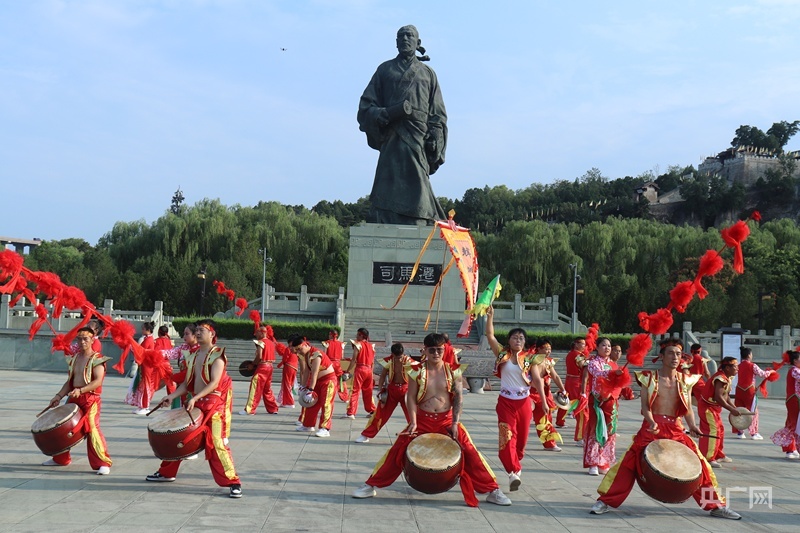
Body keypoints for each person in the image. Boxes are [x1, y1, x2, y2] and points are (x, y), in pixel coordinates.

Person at [352, 333, 511, 507]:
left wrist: (455, 423)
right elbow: (411, 398)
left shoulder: (453, 370)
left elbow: (458, 397)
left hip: (446, 420)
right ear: (425, 350)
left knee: (471, 451)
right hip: (422, 420)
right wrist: (412, 422)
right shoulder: (416, 371)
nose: (436, 353)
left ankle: (492, 490)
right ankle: (371, 485)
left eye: (440, 350)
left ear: (444, 350)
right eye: (432, 350)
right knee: (397, 450)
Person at [589, 339, 741, 520]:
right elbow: (645, 406)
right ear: (661, 356)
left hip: (675, 428)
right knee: (628, 465)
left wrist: (692, 426)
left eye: (678, 354)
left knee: (702, 467)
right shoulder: (649, 377)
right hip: (651, 428)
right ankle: (605, 501)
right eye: (671, 353)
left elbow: (687, 409)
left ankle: (716, 505)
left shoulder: (685, 380)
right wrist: (651, 421)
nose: (675, 357)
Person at [357, 25, 448, 225]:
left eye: (410, 36)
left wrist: (435, 136)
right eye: (401, 36)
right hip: (392, 137)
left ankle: (420, 217)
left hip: (417, 140)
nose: (405, 39)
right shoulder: (384, 70)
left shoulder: (427, 74)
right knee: (388, 185)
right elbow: (366, 106)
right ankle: (385, 216)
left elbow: (438, 114)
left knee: (418, 186)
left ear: (418, 43)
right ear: (396, 42)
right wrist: (382, 114)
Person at [147, 319, 242, 498]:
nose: (197, 333)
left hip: (214, 406)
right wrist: (172, 396)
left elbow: (214, 383)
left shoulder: (218, 355)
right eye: (196, 330)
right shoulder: (194, 355)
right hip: (198, 403)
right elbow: (186, 384)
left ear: (212, 334)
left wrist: (195, 398)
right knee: (176, 435)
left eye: (201, 330)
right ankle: (167, 473)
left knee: (217, 443)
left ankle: (233, 481)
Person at [42, 326, 113, 474]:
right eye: (79, 339)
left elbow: (98, 381)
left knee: (92, 428)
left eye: (85, 339)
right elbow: (69, 382)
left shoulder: (97, 359)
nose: (82, 342)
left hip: (90, 398)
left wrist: (81, 390)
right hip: (74, 397)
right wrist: (58, 396)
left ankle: (103, 462)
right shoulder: (74, 358)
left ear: (92, 339)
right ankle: (60, 458)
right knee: (62, 427)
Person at [486, 307, 537, 491]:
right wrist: (490, 317)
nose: (518, 340)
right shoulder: (503, 354)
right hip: (505, 403)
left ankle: (517, 463)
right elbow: (490, 336)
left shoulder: (530, 359)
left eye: (521, 338)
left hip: (524, 403)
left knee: (521, 441)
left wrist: (546, 402)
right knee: (507, 437)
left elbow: (537, 379)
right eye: (514, 337)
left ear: (525, 342)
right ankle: (512, 472)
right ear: (509, 340)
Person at [356, 343, 416, 443]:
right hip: (392, 390)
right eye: (396, 357)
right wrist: (379, 390)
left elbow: (416, 376)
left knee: (412, 416)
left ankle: (417, 436)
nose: (399, 359)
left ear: (403, 354)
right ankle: (366, 435)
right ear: (392, 354)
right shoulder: (389, 360)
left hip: (406, 390)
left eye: (400, 357)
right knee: (381, 414)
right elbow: (383, 375)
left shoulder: (409, 362)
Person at [697, 357, 745, 467]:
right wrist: (732, 409)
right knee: (713, 430)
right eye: (735, 366)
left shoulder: (727, 378)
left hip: (714, 408)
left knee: (720, 430)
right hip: (707, 407)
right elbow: (718, 397)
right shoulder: (720, 378)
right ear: (727, 368)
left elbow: (726, 396)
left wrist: (735, 408)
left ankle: (718, 454)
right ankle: (709, 458)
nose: (737, 368)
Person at [584, 337, 620, 476]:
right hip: (597, 401)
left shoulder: (614, 364)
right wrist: (612, 374)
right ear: (597, 347)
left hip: (612, 401)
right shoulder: (593, 363)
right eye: (603, 345)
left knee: (610, 431)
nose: (607, 348)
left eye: (609, 346)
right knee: (595, 429)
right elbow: (597, 374)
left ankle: (604, 461)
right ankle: (593, 462)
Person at [288, 334, 337, 437]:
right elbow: (306, 371)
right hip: (318, 381)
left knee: (326, 403)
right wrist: (303, 386)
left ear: (305, 345)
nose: (298, 352)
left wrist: (310, 390)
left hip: (328, 381)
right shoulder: (306, 355)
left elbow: (314, 373)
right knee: (311, 404)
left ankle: (325, 428)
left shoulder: (316, 354)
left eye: (299, 349)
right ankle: (308, 425)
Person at [529, 338, 564, 452]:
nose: (548, 351)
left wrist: (563, 389)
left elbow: (555, 376)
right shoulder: (533, 360)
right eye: (545, 348)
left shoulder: (548, 361)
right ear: (538, 349)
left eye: (549, 349)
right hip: (532, 393)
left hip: (545, 393)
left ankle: (549, 443)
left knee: (545, 419)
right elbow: (537, 380)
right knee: (525, 416)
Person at [733, 346, 774, 439]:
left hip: (739, 390)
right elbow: (763, 374)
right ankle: (754, 432)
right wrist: (771, 371)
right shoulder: (752, 365)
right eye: (751, 354)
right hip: (749, 391)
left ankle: (740, 432)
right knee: (753, 411)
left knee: (740, 411)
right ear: (748, 355)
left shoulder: (738, 366)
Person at [239, 326, 279, 416]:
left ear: (262, 333)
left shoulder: (261, 342)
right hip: (270, 367)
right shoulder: (271, 343)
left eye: (256, 333)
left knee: (255, 387)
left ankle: (250, 409)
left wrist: (252, 364)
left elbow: (259, 356)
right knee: (267, 389)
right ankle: (273, 408)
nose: (255, 334)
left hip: (262, 367)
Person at [771, 350, 800, 459]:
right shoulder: (795, 370)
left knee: (793, 424)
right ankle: (789, 449)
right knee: (793, 425)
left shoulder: (795, 370)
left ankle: (792, 448)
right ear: (795, 360)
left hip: (794, 400)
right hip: (794, 400)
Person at [558, 337, 588, 444]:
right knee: (581, 410)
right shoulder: (578, 355)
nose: (584, 346)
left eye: (585, 344)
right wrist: (590, 361)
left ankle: (560, 421)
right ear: (576, 344)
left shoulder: (571, 354)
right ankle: (580, 437)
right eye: (582, 344)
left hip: (570, 380)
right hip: (576, 383)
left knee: (567, 403)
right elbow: (583, 365)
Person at [125, 321, 157, 415]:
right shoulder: (148, 339)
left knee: (146, 386)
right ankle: (142, 406)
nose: (141, 330)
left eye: (143, 329)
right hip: (144, 365)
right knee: (143, 386)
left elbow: (140, 351)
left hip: (147, 366)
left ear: (148, 330)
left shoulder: (148, 340)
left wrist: (130, 345)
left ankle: (145, 406)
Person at [344, 328, 376, 419]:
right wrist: (372, 373)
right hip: (369, 370)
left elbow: (354, 359)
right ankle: (372, 410)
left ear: (362, 335)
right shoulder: (371, 346)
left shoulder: (358, 344)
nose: (356, 336)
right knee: (368, 392)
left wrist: (348, 370)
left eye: (358, 334)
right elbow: (372, 362)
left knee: (355, 391)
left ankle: (351, 413)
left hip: (360, 369)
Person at [322, 330, 349, 402]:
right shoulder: (341, 344)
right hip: (337, 363)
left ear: (331, 335)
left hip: (329, 363)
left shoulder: (327, 343)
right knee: (341, 380)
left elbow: (324, 354)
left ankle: (327, 396)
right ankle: (345, 397)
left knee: (327, 379)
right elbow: (342, 356)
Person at [276, 337, 299, 409]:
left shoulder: (288, 349)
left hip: (288, 367)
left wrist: (280, 364)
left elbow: (285, 359)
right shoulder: (297, 350)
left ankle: (290, 402)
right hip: (294, 368)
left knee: (286, 385)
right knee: (289, 385)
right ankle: (285, 401)